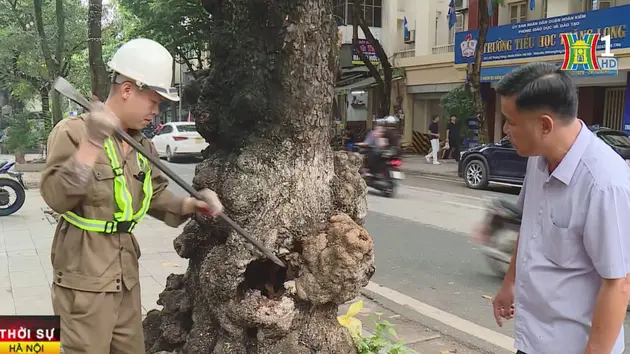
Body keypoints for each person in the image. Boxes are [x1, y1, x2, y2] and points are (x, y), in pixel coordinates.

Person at [40, 38, 224, 354]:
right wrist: (92, 143)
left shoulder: (142, 145)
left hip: (125, 276)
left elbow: (154, 194)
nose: (156, 111)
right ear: (128, 90)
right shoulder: (73, 132)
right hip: (83, 282)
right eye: (153, 102)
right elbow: (56, 197)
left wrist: (190, 204)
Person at [488, 62, 630, 354]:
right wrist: (509, 283)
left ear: (544, 125)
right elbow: (530, 226)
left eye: (511, 122)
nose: (505, 130)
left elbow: (617, 284)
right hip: (532, 340)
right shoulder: (538, 159)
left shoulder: (604, 183)